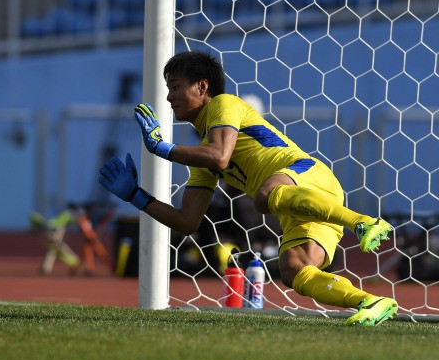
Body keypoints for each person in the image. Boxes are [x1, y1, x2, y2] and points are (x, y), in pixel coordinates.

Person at [98, 51, 397, 327]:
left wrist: (162, 148)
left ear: (202, 87)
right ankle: (371, 301)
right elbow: (188, 221)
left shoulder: (223, 104)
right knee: (293, 270)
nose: (168, 97)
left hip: (307, 176)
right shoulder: (203, 156)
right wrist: (136, 195)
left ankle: (362, 222)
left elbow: (220, 156)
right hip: (297, 203)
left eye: (175, 87)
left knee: (263, 197)